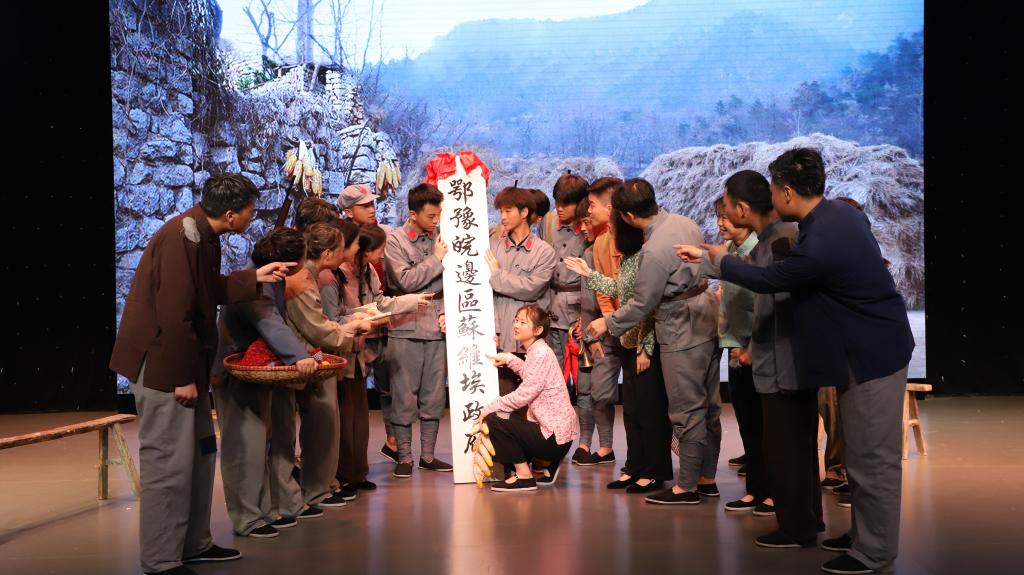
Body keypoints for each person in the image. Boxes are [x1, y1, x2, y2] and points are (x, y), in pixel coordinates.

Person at [677, 149, 914, 575]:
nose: (770, 198)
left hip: (873, 354)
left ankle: (875, 551)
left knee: (872, 460)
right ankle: (864, 534)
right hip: (862, 351)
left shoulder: (820, 237)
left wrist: (717, 260)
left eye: (772, 189)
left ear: (786, 192)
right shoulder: (838, 216)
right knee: (860, 456)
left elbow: (772, 280)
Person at [109, 173, 295, 575]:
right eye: (249, 211)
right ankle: (161, 559)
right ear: (230, 214)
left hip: (183, 364)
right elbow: (174, 315)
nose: (251, 217)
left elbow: (206, 289)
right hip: (164, 366)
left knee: (199, 455)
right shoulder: (183, 237)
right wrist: (181, 377)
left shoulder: (204, 235)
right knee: (169, 462)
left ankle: (193, 543)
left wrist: (255, 277)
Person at [586, 178, 721, 506]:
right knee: (709, 406)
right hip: (706, 316)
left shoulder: (654, 249)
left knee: (686, 409)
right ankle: (706, 479)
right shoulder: (685, 222)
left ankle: (685, 487)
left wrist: (607, 323)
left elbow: (641, 304)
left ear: (628, 216)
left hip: (680, 326)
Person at [212, 228, 318, 540]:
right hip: (234, 373)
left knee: (260, 443)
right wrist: (300, 357)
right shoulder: (254, 286)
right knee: (244, 447)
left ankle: (264, 510)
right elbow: (271, 323)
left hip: (253, 371)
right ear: (289, 264)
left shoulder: (270, 280)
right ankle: (247, 517)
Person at [566, 209, 673, 494]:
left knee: (650, 412)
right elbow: (619, 290)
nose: (610, 232)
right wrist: (589, 274)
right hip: (627, 340)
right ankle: (635, 467)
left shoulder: (645, 258)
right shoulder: (627, 259)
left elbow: (648, 305)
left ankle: (654, 472)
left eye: (613, 227)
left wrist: (645, 349)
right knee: (633, 411)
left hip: (643, 346)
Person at [321, 223, 431, 493]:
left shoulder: (368, 270)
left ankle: (357, 473)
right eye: (379, 250)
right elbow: (330, 320)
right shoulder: (332, 276)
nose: (382, 255)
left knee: (359, 418)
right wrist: (361, 316)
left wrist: (412, 301)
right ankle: (342, 476)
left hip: (358, 351)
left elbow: (380, 302)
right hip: (340, 353)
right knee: (343, 417)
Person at [282, 222, 371, 514]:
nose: (349, 252)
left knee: (322, 424)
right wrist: (352, 329)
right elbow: (317, 329)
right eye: (344, 247)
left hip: (312, 355)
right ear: (328, 253)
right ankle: (314, 489)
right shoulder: (302, 279)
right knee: (319, 424)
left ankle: (320, 486)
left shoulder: (312, 275)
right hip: (306, 358)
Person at [706, 192, 774, 517]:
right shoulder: (731, 251)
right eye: (719, 217)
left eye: (726, 216)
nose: (721, 223)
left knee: (766, 427)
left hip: (756, 351)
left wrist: (749, 348)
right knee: (748, 424)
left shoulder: (757, 251)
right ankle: (756, 490)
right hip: (735, 349)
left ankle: (773, 492)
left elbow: (764, 306)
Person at [383, 183, 453, 477]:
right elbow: (406, 281)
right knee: (403, 394)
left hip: (437, 325)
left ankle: (428, 455)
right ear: (413, 214)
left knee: (434, 395)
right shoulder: (395, 240)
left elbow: (454, 282)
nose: (436, 221)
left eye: (438, 215)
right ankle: (404, 457)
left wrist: (449, 311)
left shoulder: (443, 237)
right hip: (405, 325)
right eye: (430, 216)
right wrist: (436, 259)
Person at [479, 304, 579, 492]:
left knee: (495, 419)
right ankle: (547, 463)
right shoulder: (538, 350)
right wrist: (509, 358)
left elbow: (523, 394)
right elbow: (530, 374)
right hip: (557, 435)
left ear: (538, 330)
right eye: (516, 320)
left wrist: (487, 409)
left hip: (553, 438)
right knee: (505, 418)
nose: (516, 325)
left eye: (523, 322)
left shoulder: (540, 353)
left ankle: (524, 476)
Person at [336, 184, 401, 462]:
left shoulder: (384, 233)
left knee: (389, 386)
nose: (371, 209)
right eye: (364, 206)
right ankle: (347, 461)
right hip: (356, 330)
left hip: (381, 321)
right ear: (348, 211)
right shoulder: (342, 251)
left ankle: (393, 442)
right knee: (352, 395)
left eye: (372, 204)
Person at [574, 177, 624, 466]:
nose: (585, 225)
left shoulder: (625, 243)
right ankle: (603, 447)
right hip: (599, 330)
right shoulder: (590, 250)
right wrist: (589, 333)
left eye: (588, 216)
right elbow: (588, 299)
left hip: (624, 324)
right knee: (598, 392)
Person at [546, 172, 590, 370]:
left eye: (565, 203)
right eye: (557, 202)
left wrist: (585, 315)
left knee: (580, 367)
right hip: (551, 305)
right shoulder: (549, 223)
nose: (559, 208)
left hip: (577, 309)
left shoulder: (588, 229)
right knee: (554, 367)